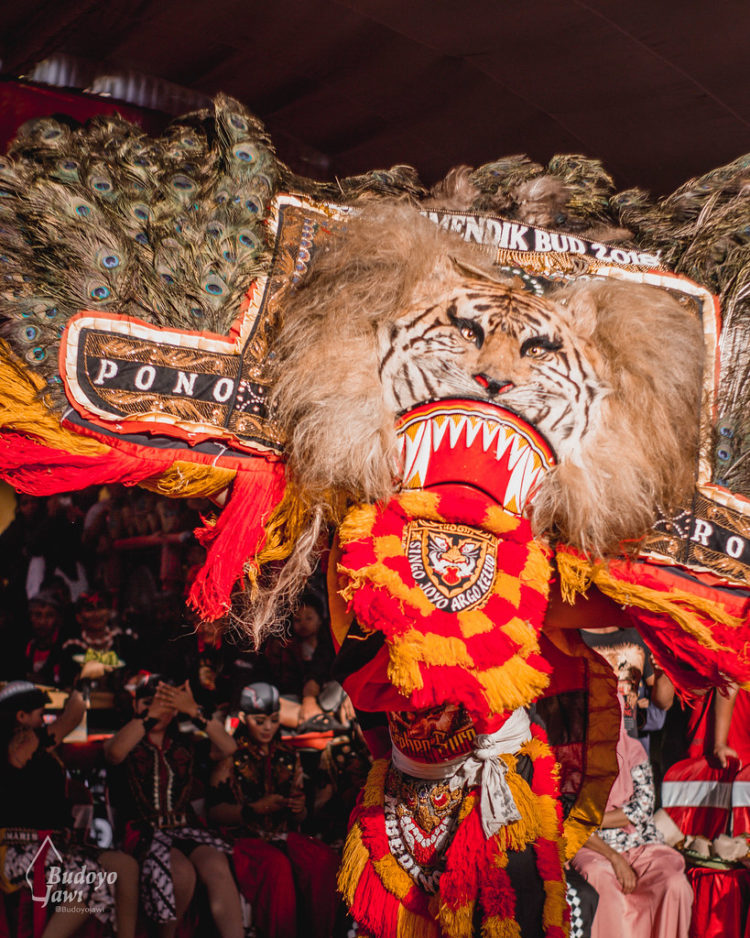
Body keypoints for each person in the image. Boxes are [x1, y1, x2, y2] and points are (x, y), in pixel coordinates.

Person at [104, 673, 244, 938]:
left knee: (216, 865)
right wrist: (148, 717)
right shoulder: (125, 742)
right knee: (179, 872)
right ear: (135, 707)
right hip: (143, 832)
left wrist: (195, 711)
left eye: (164, 705)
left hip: (186, 829)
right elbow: (114, 753)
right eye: (147, 702)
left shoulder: (186, 745)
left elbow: (228, 747)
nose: (155, 709)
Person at [0, 680, 138, 938]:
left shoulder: (32, 744)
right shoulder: (22, 741)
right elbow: (73, 715)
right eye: (41, 714)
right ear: (21, 716)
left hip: (53, 846)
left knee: (125, 866)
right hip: (19, 851)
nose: (45, 721)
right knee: (94, 879)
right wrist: (79, 685)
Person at [207, 681, 340, 938]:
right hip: (241, 838)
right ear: (244, 718)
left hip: (283, 835)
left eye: (274, 719)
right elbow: (213, 812)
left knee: (323, 861)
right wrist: (252, 810)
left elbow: (301, 815)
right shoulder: (230, 756)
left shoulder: (289, 755)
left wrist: (298, 808)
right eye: (260, 720)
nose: (268, 727)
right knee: (276, 867)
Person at [571, 712, 693, 938]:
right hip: (592, 845)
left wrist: (594, 819)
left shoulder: (633, 750)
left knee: (673, 884)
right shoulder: (571, 755)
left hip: (640, 843)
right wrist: (615, 857)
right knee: (597, 874)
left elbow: (643, 807)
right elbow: (571, 820)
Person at [580, 626, 674, 740]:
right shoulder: (570, 635)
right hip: (586, 743)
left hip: (629, 743)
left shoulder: (636, 634)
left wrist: (661, 675)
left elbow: (664, 703)